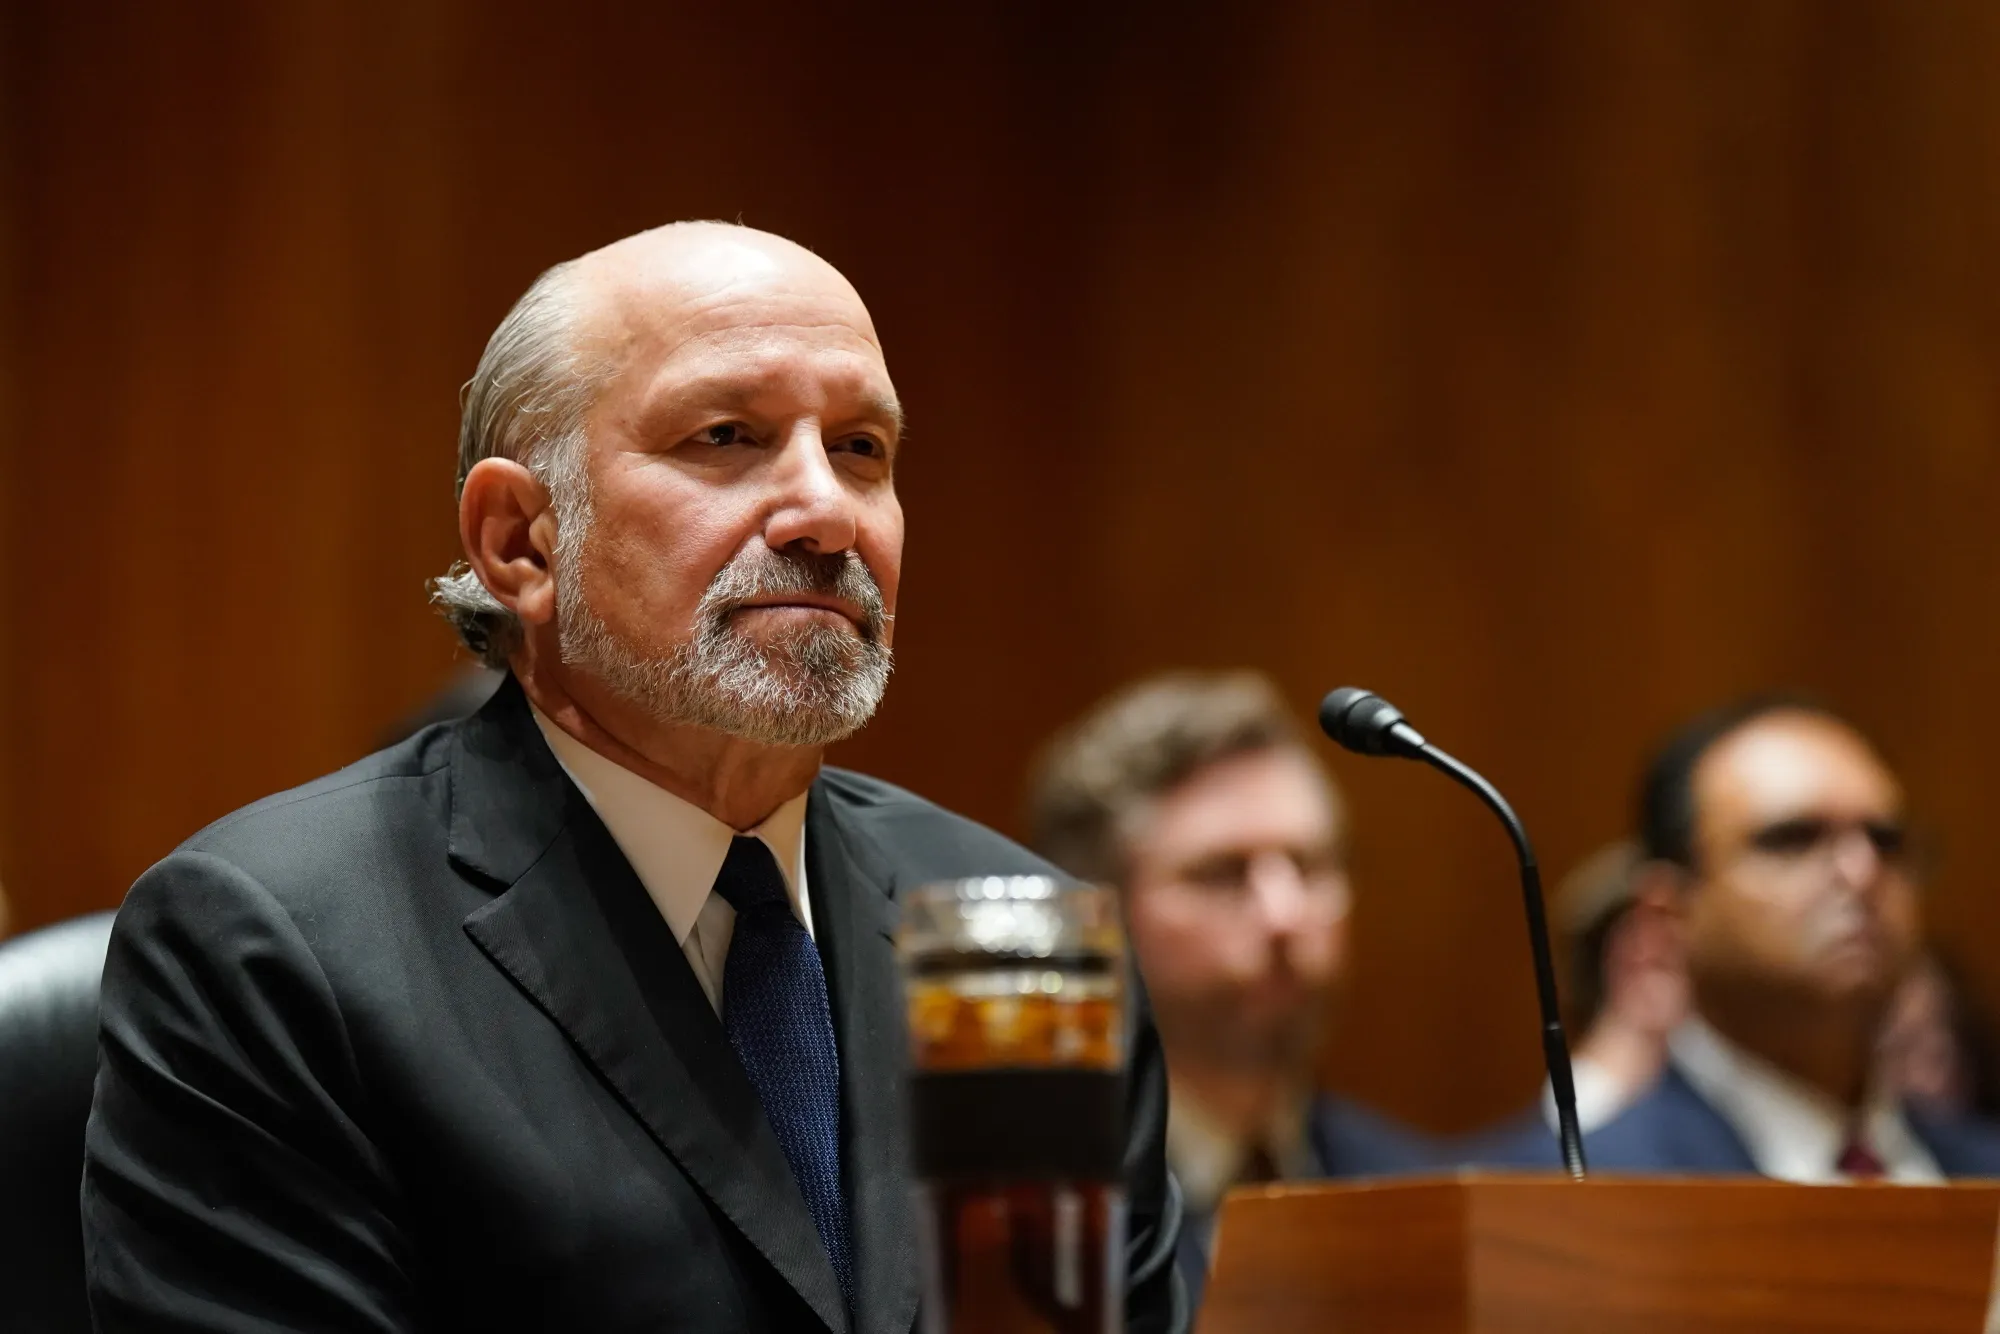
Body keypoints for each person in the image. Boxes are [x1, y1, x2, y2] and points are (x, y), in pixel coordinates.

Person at [82, 223, 1186, 1333]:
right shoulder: (276, 944)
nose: (827, 511)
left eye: (859, 449)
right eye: (727, 436)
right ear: (519, 540)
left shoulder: (1025, 936)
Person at [1028, 671, 1433, 1309]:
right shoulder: (1034, 1223)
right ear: (1096, 914)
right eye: (1222, 873)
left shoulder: (1421, 1195)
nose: (1284, 913)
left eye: (1310, 864)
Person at [1479, 695, 2000, 1180]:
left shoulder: (1985, 1173)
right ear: (1667, 916)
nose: (1862, 873)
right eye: (1792, 839)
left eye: (1887, 841)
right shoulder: (1568, 1192)